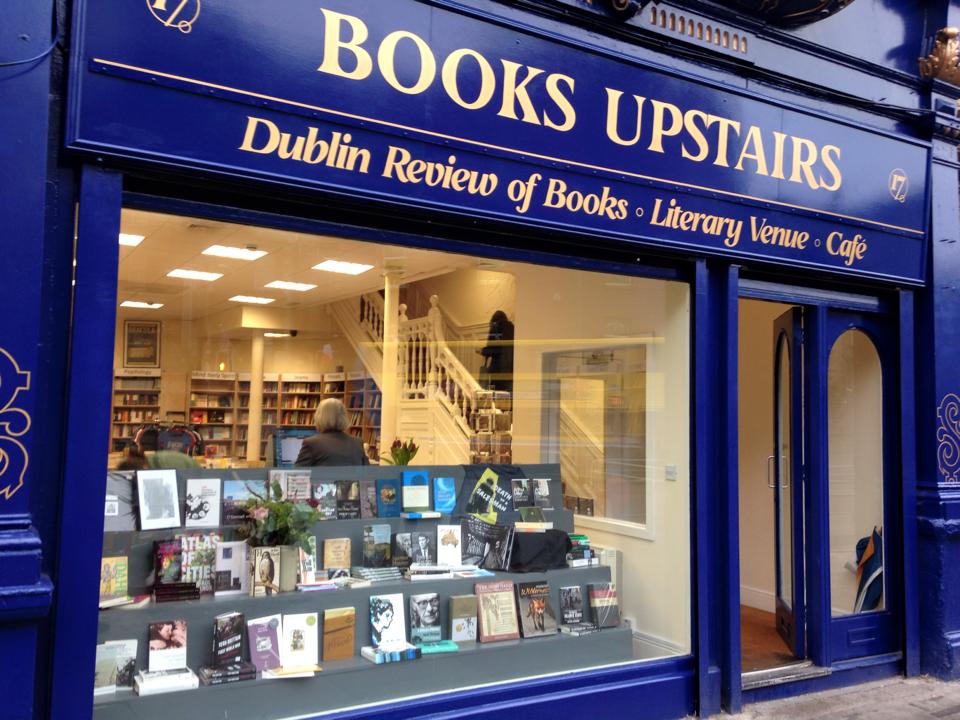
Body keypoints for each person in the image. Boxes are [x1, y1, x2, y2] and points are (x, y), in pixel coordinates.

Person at [295, 398, 369, 467]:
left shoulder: (311, 443)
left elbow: (297, 475)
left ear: (319, 416)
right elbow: (367, 473)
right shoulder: (357, 443)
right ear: (344, 416)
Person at [479, 310, 514, 394]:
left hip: (498, 368)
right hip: (511, 369)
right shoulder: (512, 328)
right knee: (508, 395)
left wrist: (482, 351)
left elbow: (495, 348)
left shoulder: (496, 328)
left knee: (497, 394)